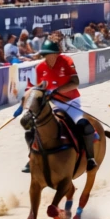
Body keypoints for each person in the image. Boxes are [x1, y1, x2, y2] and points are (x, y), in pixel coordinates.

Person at [34, 40, 99, 170]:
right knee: (36, 127)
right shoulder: (40, 68)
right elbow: (39, 88)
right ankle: (32, 157)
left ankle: (90, 159)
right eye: (46, 55)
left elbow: (75, 83)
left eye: (51, 54)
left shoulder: (67, 61)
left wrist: (57, 90)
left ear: (56, 54)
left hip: (72, 102)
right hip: (54, 104)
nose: (49, 58)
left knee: (82, 125)